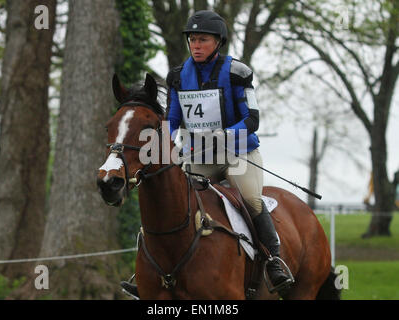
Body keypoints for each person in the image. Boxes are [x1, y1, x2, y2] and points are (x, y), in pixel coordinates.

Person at [121, 10, 292, 298]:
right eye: (192, 40)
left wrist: (224, 135)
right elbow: (173, 119)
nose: (196, 45)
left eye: (202, 40)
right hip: (201, 156)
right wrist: (163, 145)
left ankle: (274, 261)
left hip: (238, 153)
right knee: (170, 200)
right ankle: (146, 272)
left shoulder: (238, 73)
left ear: (218, 43)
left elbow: (252, 119)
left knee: (250, 199)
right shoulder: (177, 77)